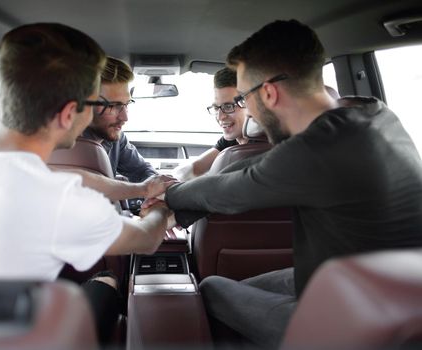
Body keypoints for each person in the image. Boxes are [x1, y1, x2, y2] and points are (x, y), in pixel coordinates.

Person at [154, 19, 422, 348]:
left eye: (244, 98)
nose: (248, 110)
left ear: (268, 92)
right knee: (246, 286)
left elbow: (232, 192)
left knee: (210, 288)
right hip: (393, 296)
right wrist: (179, 212)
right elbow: (259, 166)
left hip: (362, 330)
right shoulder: (371, 113)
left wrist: (168, 195)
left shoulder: (316, 149)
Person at [0, 23, 173, 344]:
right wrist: (162, 207)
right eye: (93, 106)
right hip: (9, 339)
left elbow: (59, 178)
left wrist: (140, 189)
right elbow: (145, 239)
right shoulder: (61, 202)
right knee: (103, 281)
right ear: (67, 114)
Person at [172, 67, 265, 181]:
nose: (220, 116)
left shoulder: (264, 147)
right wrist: (164, 184)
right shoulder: (232, 140)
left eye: (228, 106)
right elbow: (193, 169)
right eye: (217, 107)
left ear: (251, 104)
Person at [82, 57, 158, 182]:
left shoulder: (116, 138)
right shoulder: (63, 144)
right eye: (112, 106)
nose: (125, 118)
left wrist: (159, 189)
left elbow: (142, 170)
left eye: (127, 104)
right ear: (85, 105)